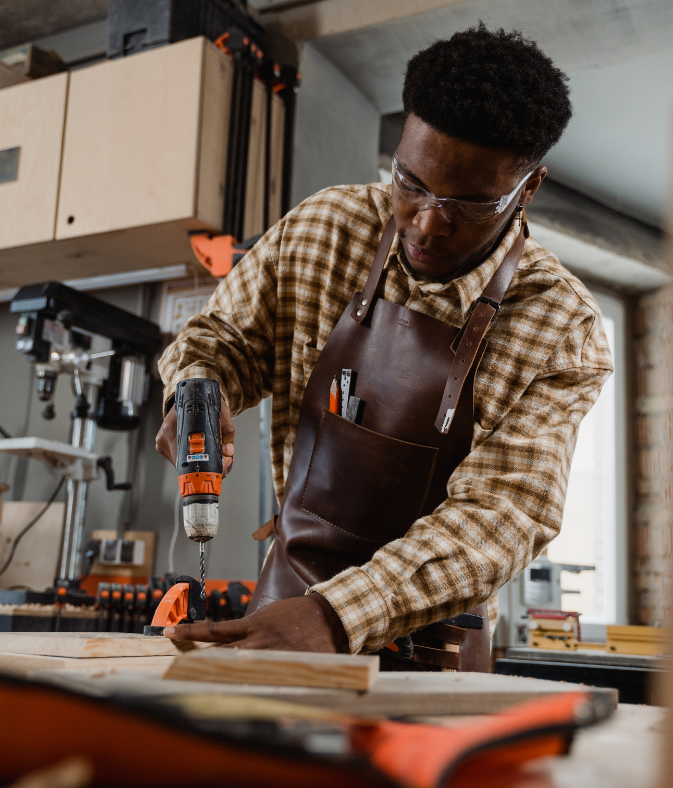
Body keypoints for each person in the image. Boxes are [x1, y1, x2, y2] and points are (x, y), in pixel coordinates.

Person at [155, 25, 613, 664]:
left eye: (469, 205)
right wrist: (200, 386)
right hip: (284, 607)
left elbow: (503, 514)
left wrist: (335, 617)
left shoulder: (562, 326)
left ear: (527, 188)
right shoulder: (329, 227)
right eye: (411, 182)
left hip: (435, 643)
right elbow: (223, 339)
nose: (426, 223)